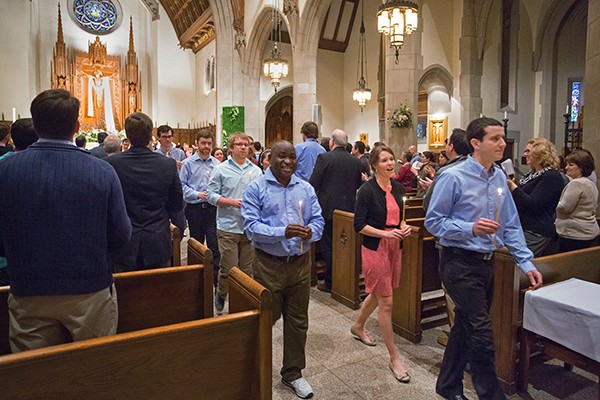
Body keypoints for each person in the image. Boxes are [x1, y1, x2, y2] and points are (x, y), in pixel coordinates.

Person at [0, 89, 131, 352]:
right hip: (89, 288)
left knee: (36, 376)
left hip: (29, 286)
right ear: (77, 125)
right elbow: (121, 234)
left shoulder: (6, 170)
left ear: (35, 125)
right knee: (95, 368)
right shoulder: (102, 170)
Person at [425, 117, 543, 400]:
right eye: (495, 139)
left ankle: (447, 385)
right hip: (458, 262)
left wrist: (526, 262)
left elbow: (511, 225)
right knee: (481, 333)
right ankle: (491, 394)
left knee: (466, 325)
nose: (502, 143)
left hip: (486, 263)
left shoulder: (500, 176)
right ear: (476, 143)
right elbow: (433, 221)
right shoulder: (453, 177)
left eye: (503, 138)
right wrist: (470, 228)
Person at [242, 140, 324, 399]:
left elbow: (318, 219)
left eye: (292, 157)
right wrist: (282, 232)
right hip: (269, 264)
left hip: (300, 265)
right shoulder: (257, 188)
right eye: (282, 157)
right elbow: (250, 226)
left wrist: (312, 232)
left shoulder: (306, 188)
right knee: (266, 319)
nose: (288, 162)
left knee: (298, 322)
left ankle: (293, 373)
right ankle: (255, 369)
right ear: (269, 158)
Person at [351, 144, 412, 383]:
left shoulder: (397, 187)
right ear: (375, 165)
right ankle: (394, 357)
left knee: (379, 293)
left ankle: (357, 325)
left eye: (392, 159)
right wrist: (385, 234)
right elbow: (359, 224)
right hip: (375, 247)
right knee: (386, 301)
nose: (390, 163)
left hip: (394, 246)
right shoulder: (366, 190)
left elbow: (401, 217)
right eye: (385, 160)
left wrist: (403, 228)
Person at [105, 112, 185, 272]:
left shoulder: (111, 164)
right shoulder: (167, 164)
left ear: (127, 136)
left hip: (123, 241)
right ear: (151, 136)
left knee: (126, 295)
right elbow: (177, 205)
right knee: (157, 293)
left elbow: (107, 205)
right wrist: (179, 231)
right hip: (157, 240)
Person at [207, 132, 262, 315]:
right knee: (229, 267)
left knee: (247, 270)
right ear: (231, 147)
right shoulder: (220, 169)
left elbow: (262, 195)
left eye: (246, 145)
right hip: (228, 225)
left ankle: (243, 304)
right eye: (239, 144)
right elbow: (211, 195)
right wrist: (232, 202)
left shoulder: (255, 170)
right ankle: (221, 294)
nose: (243, 147)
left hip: (249, 226)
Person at [309, 129, 363, 293]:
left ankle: (330, 281)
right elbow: (357, 184)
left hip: (328, 209)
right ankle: (345, 279)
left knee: (328, 246)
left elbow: (313, 182)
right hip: (349, 210)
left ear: (332, 142)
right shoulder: (355, 161)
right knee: (345, 246)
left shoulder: (324, 158)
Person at [506, 138, 565, 256]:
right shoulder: (531, 175)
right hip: (521, 227)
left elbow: (533, 205)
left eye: (528, 151)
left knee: (517, 262)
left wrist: (513, 187)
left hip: (535, 230)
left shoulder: (551, 176)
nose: (525, 154)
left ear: (540, 154)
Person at [0, 118, 38, 285]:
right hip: (37, 256)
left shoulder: (4, 165)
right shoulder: (53, 167)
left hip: (6, 254)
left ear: (12, 139)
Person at [180, 130, 221, 286]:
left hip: (212, 210)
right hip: (195, 209)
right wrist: (198, 194)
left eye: (209, 143)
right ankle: (195, 280)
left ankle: (214, 280)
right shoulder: (188, 164)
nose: (206, 146)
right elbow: (182, 186)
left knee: (214, 245)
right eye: (203, 143)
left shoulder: (217, 164)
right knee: (196, 245)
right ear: (196, 143)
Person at [555, 149, 599, 252]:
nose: (566, 168)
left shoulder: (576, 183)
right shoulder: (590, 183)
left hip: (573, 233)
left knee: (568, 265)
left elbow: (564, 208)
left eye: (571, 165)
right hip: (589, 231)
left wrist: (553, 204)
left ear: (581, 167)